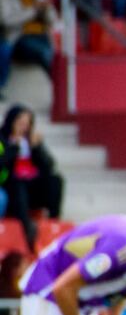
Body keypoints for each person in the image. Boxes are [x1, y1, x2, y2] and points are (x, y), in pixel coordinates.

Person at [1, 105, 64, 251]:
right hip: (10, 185)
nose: (24, 127)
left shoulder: (32, 141)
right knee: (18, 184)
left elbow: (49, 166)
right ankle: (26, 228)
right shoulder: (3, 140)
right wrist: (13, 147)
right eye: (20, 123)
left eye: (27, 124)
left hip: (32, 185)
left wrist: (37, 148)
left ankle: (53, 222)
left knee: (56, 180)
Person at [0, 0, 59, 94]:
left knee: (56, 53)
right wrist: (33, 10)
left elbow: (53, 20)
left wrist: (46, 9)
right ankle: (60, 90)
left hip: (42, 34)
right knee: (45, 53)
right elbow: (6, 20)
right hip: (19, 36)